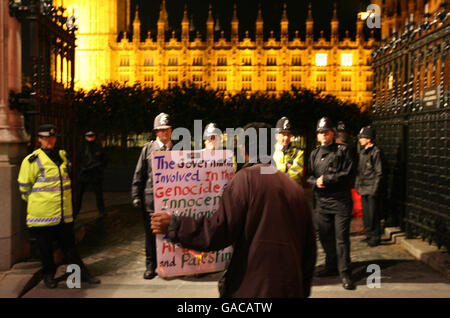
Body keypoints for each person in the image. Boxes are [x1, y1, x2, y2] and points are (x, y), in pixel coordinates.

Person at [151, 122, 317, 298]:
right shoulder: (295, 189)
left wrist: (175, 225)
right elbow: (309, 253)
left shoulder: (244, 180)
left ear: (243, 148)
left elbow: (218, 232)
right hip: (291, 288)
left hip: (253, 289)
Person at [17, 124, 100, 288]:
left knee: (70, 249)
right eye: (46, 138)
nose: (50, 141)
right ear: (39, 139)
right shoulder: (32, 160)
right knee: (45, 249)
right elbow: (24, 188)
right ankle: (49, 276)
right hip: (42, 215)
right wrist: (39, 203)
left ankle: (80, 275)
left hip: (64, 214)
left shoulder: (62, 156)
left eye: (53, 137)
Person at [306, 117, 355, 290]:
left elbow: (348, 173)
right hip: (321, 202)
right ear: (318, 136)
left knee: (341, 239)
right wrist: (315, 182)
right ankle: (331, 266)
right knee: (325, 236)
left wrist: (326, 179)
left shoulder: (343, 150)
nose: (323, 135)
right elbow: (309, 176)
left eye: (326, 132)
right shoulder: (314, 154)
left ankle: (345, 273)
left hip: (340, 201)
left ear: (332, 133)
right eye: (320, 133)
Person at [131, 112, 173, 280]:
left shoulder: (179, 149)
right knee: (150, 234)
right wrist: (135, 195)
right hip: (151, 199)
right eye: (161, 130)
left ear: (171, 131)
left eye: (167, 129)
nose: (164, 133)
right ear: (156, 131)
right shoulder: (148, 149)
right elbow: (139, 174)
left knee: (171, 232)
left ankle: (170, 263)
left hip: (172, 199)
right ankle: (151, 265)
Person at [355, 126, 383, 247]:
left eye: (362, 137)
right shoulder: (363, 152)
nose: (360, 139)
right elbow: (360, 171)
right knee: (366, 214)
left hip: (371, 187)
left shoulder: (376, 152)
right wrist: (358, 185)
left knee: (373, 214)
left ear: (369, 138)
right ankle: (369, 234)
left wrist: (375, 189)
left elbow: (379, 172)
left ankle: (375, 236)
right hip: (364, 186)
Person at [74, 130, 107, 219]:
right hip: (85, 173)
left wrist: (99, 167)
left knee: (98, 194)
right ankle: (75, 212)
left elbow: (103, 159)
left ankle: (102, 211)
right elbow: (78, 159)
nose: (90, 138)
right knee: (79, 194)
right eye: (89, 136)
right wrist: (82, 168)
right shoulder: (82, 147)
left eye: (91, 136)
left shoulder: (97, 147)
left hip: (94, 173)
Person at [273, 116, 304, 185]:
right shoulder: (270, 152)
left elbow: (297, 174)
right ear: (276, 136)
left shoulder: (298, 153)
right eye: (283, 134)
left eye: (288, 134)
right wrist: (285, 166)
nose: (286, 137)